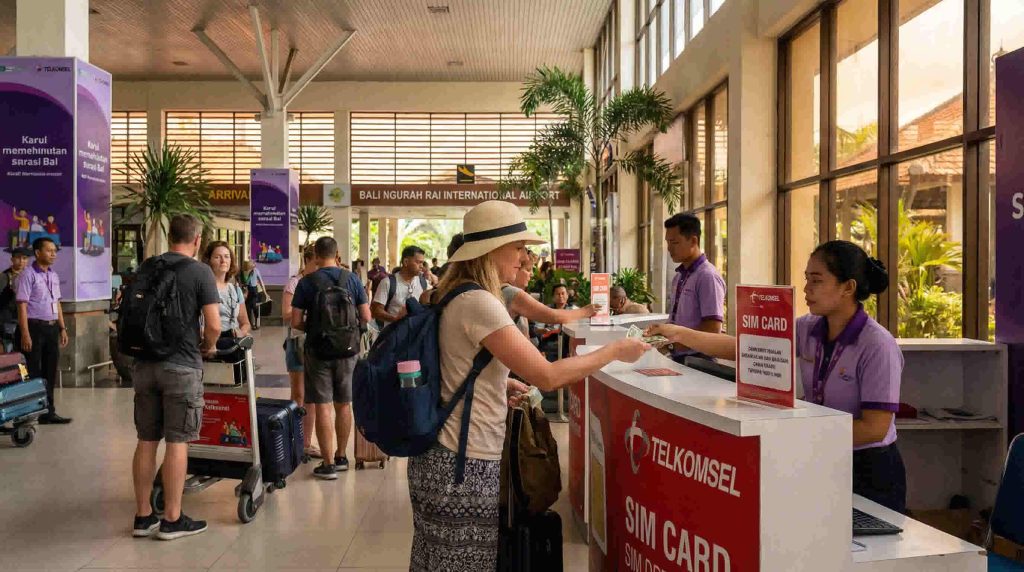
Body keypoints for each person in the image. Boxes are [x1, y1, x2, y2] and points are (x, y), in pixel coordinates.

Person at [408, 201, 648, 571]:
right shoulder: (481, 302)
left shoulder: (454, 293)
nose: (524, 258)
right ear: (491, 250)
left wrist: (497, 385)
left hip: (440, 455)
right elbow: (548, 376)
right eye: (518, 247)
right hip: (462, 460)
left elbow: (456, 366)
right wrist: (615, 351)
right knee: (463, 563)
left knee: (435, 560)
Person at [647, 240, 905, 512]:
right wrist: (679, 334)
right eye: (806, 279)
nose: (806, 289)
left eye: (816, 281)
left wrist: (797, 433)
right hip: (824, 456)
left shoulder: (877, 345)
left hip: (869, 469)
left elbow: (874, 428)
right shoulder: (809, 328)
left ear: (848, 287)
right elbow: (744, 347)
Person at [131, 214, 221, 540]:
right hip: (181, 366)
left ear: (171, 237)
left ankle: (143, 516)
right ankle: (172, 518)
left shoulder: (148, 267)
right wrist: (207, 347)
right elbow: (213, 325)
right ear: (197, 240)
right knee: (177, 441)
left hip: (144, 365)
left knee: (146, 440)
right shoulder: (200, 272)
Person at [290, 237, 371, 478]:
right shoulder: (352, 279)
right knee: (344, 404)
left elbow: (295, 322)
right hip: (348, 351)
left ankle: (327, 465)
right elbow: (365, 316)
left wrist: (316, 329)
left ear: (315, 256)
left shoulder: (307, 283)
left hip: (318, 351)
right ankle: (341, 456)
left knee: (323, 404)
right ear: (338, 255)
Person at [16, 238, 70, 424]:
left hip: (51, 327)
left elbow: (57, 303)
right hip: (33, 327)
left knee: (50, 370)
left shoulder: (53, 276)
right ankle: (28, 413)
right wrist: (25, 333)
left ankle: (48, 412)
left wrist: (62, 328)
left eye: (55, 250)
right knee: (31, 371)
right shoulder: (27, 275)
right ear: (38, 253)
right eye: (49, 250)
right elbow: (22, 306)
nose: (53, 254)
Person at [663, 213, 726, 363]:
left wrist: (674, 344)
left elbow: (712, 330)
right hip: (678, 358)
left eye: (674, 242)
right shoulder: (679, 277)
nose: (669, 248)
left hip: (700, 361)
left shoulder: (707, 277)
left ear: (693, 241)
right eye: (668, 242)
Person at [282, 245, 319, 458]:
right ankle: (293, 439)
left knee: (312, 396)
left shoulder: (320, 283)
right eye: (316, 261)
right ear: (307, 260)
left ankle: (306, 442)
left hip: (316, 344)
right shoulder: (295, 283)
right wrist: (307, 313)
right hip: (297, 343)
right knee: (299, 393)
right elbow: (286, 314)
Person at [372, 245, 428, 326]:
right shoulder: (388, 283)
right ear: (405, 262)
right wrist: (395, 319)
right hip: (393, 335)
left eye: (422, 263)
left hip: (415, 336)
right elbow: (376, 311)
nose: (421, 266)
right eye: (418, 262)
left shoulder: (424, 283)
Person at [535, 284, 577, 362]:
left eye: (563, 293)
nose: (560, 296)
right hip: (549, 345)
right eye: (558, 294)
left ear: (567, 295)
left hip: (567, 345)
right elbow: (537, 329)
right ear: (553, 297)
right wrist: (545, 330)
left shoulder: (573, 310)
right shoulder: (546, 310)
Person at [0, 247, 31, 352]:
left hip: (29, 320)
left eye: (24, 258)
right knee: (9, 352)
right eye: (18, 258)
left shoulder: (31, 276)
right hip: (9, 321)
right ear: (12, 259)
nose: (21, 261)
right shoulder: (4, 277)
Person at [238, 261, 266, 330]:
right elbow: (243, 282)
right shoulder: (243, 272)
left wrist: (265, 292)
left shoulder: (255, 271)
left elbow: (261, 281)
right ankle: (250, 324)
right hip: (247, 290)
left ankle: (256, 322)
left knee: (253, 306)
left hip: (254, 290)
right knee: (248, 308)